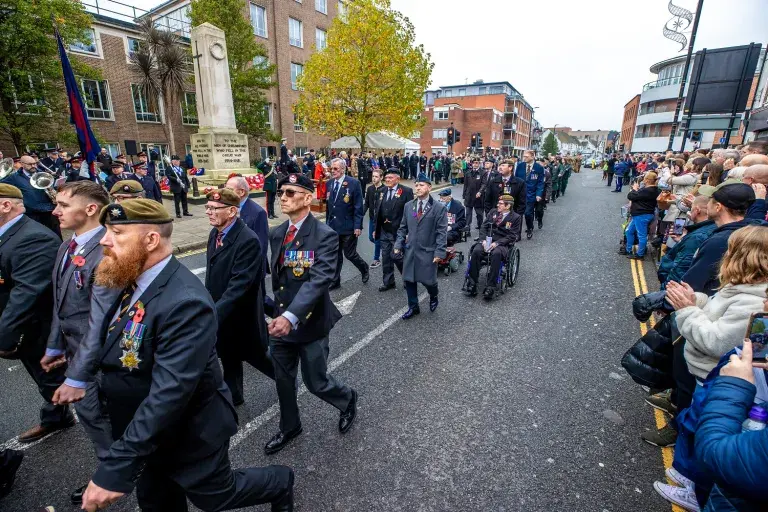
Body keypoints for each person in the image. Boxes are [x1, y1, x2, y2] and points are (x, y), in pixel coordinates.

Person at [80, 198, 294, 512]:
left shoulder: (184, 302)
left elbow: (170, 391)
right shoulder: (134, 281)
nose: (104, 240)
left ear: (151, 240)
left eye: (117, 233)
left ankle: (280, 482)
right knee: (157, 502)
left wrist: (116, 467)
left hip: (189, 432)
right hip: (145, 432)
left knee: (216, 496)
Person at [264, 173, 358, 456]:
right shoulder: (277, 233)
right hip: (281, 324)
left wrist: (290, 317)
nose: (283, 197)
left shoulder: (324, 235)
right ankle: (290, 426)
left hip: (309, 323)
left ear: (308, 198)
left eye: (290, 192)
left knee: (316, 382)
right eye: (281, 192)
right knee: (283, 381)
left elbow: (319, 280)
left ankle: (347, 399)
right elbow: (280, 280)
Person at [41, 181, 117, 505]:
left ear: (90, 209)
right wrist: (54, 345)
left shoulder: (109, 249)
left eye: (63, 205)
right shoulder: (66, 246)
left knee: (104, 414)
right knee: (91, 415)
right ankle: (112, 467)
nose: (55, 211)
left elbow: (101, 319)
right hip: (75, 352)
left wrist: (76, 376)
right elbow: (61, 302)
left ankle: (116, 472)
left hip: (100, 355)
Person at [0, 184, 75, 442]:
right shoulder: (9, 234)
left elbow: (26, 293)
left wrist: (3, 335)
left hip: (36, 326)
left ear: (5, 205)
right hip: (21, 325)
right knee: (44, 376)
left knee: (50, 376)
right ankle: (57, 415)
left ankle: (64, 417)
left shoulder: (32, 238)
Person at [204, 189, 274, 406]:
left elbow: (238, 287)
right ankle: (234, 398)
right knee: (229, 357)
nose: (209, 212)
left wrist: (213, 315)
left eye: (215, 208)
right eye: (208, 207)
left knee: (259, 359)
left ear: (232, 211)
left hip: (242, 318)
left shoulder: (247, 240)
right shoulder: (215, 233)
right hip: (223, 313)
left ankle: (288, 380)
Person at [394, 173, 447, 319]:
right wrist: (398, 244)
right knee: (409, 280)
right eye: (416, 185)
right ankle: (413, 307)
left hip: (428, 251)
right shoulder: (408, 206)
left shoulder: (438, 208)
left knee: (429, 281)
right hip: (410, 250)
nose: (417, 188)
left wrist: (439, 252)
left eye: (421, 185)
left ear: (429, 187)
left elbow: (441, 233)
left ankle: (433, 295)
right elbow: (402, 228)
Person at [465, 194, 522, 299]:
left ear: (508, 206)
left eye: (500, 203)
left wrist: (497, 243)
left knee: (496, 254)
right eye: (498, 203)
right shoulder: (493, 212)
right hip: (487, 240)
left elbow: (513, 236)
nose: (497, 205)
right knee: (476, 251)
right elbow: (484, 227)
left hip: (502, 244)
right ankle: (472, 283)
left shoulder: (516, 217)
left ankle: (491, 286)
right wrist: (483, 240)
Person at [325, 158, 369, 290]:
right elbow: (329, 206)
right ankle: (335, 281)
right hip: (333, 226)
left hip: (348, 226)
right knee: (335, 255)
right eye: (331, 169)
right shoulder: (330, 183)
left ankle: (364, 268)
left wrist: (357, 226)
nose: (333, 171)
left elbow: (358, 207)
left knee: (349, 254)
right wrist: (327, 224)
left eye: (335, 169)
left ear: (343, 169)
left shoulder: (354, 183)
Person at [657, 194, 717, 288]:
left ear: (697, 210)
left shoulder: (696, 237)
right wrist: (682, 239)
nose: (689, 211)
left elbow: (679, 272)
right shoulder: (713, 228)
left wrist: (666, 289)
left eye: (691, 208)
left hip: (675, 289)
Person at [374, 168, 414, 292]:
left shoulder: (406, 191)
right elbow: (377, 211)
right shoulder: (381, 191)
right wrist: (376, 228)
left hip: (399, 231)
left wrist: (408, 232)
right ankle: (389, 282)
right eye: (386, 178)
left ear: (397, 179)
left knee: (399, 257)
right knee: (386, 258)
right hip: (384, 230)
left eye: (390, 178)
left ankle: (408, 280)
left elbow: (411, 213)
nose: (387, 180)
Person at [1, 155, 60, 237]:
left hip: (49, 211)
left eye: (34, 163)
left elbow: (52, 187)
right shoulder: (14, 177)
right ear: (22, 164)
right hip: (32, 213)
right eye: (30, 164)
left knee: (55, 234)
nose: (33, 166)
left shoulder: (42, 173)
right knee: (38, 236)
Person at [226, 176, 268, 253]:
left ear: (242, 192)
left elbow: (261, 245)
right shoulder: (227, 207)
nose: (226, 193)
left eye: (230, 190)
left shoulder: (258, 213)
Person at [625, 172, 660, 260]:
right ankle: (628, 250)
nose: (643, 179)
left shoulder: (647, 190)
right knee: (629, 231)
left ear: (647, 180)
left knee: (642, 235)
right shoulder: (655, 189)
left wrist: (634, 189)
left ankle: (640, 255)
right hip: (641, 214)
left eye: (644, 178)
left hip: (642, 215)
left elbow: (631, 196)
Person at [514, 150, 545, 240]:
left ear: (532, 156)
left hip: (531, 194)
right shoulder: (520, 166)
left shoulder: (539, 168)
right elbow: (516, 179)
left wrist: (538, 194)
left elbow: (540, 183)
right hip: (519, 194)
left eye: (526, 156)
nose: (524, 158)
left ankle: (529, 228)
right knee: (518, 215)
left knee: (528, 213)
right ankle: (517, 234)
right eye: (524, 156)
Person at [365, 169, 385, 268]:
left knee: (377, 239)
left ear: (381, 177)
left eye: (376, 176)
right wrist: (360, 215)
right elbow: (366, 204)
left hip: (380, 220)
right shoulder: (370, 189)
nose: (374, 178)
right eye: (373, 176)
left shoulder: (385, 189)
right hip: (372, 219)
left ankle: (376, 259)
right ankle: (387, 248)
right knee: (371, 238)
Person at [462, 157, 484, 235]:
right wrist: (464, 195)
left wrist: (480, 192)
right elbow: (465, 185)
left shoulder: (483, 173)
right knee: (468, 214)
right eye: (474, 163)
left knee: (479, 214)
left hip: (478, 197)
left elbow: (484, 184)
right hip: (469, 196)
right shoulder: (468, 172)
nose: (475, 164)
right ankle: (467, 230)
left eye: (477, 163)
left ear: (479, 164)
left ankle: (481, 229)